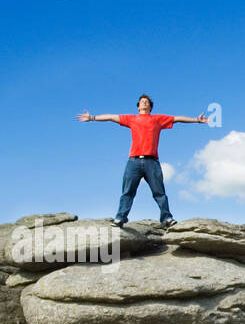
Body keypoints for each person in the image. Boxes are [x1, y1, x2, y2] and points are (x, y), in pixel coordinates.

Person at [77, 94, 207, 227]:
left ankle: (166, 218)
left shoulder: (158, 119)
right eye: (141, 102)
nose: (144, 103)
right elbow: (111, 117)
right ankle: (120, 218)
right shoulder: (132, 119)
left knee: (159, 192)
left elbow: (177, 118)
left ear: (150, 107)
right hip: (134, 162)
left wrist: (196, 119)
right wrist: (92, 118)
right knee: (128, 191)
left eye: (147, 102)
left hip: (152, 162)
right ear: (138, 107)